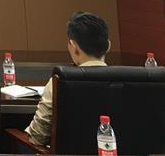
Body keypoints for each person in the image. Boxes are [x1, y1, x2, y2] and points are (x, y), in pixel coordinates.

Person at [24, 11, 110, 146]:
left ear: (74, 46)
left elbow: (38, 137)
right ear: (108, 46)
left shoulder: (59, 81)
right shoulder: (130, 81)